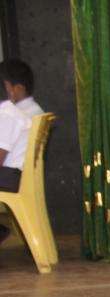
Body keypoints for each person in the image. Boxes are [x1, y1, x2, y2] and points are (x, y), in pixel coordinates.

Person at [0, 58, 43, 245]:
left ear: (14, 89)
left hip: (10, 176)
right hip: (16, 174)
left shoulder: (10, 114)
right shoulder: (26, 111)